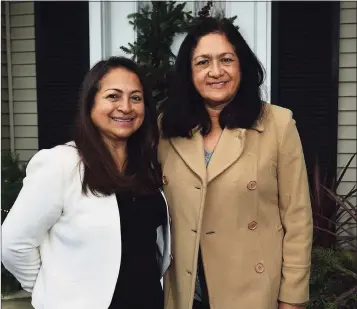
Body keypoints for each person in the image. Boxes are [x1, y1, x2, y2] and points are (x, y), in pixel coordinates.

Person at [158, 17, 313, 309]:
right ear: (188, 73)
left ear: (242, 65)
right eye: (203, 62)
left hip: (251, 292)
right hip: (185, 293)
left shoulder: (278, 124)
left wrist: (292, 298)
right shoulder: (167, 128)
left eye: (226, 59)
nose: (216, 72)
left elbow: (297, 218)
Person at [2, 56, 171, 309]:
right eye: (113, 96)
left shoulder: (146, 167)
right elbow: (13, 244)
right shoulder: (61, 164)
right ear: (90, 103)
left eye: (136, 98)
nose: (126, 107)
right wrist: (53, 290)